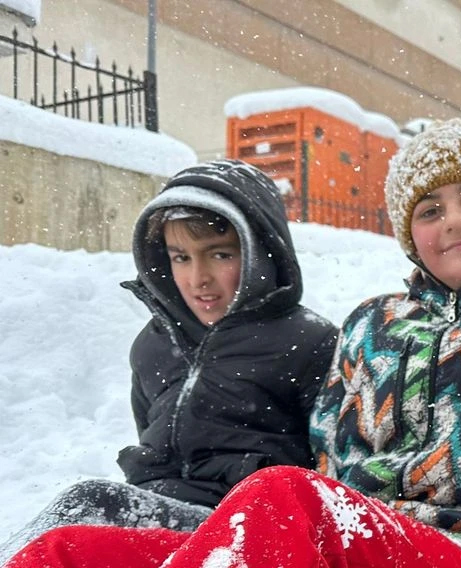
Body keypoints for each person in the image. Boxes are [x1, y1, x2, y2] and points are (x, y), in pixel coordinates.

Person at [7, 118, 461, 568]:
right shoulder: (372, 326)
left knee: (282, 497)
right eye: (430, 211)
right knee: (72, 550)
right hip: (362, 542)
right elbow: (330, 461)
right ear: (409, 236)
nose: (456, 220)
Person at [0, 159, 338, 563]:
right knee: (72, 536)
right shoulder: (152, 347)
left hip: (246, 531)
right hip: (159, 522)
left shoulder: (308, 342)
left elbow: (331, 479)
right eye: (181, 258)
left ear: (261, 253)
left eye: (220, 255)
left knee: (88, 505)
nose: (198, 278)